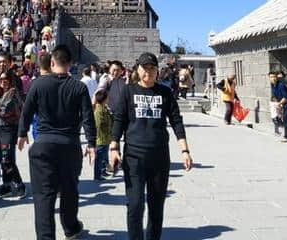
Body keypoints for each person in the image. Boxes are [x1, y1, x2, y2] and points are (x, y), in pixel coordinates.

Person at [109, 52, 193, 240]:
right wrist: (113, 148)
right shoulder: (128, 91)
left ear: (157, 71)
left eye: (152, 68)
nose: (148, 72)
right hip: (134, 157)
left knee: (156, 206)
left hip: (159, 157)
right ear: (137, 69)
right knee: (135, 205)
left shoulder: (165, 92)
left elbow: (176, 122)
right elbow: (119, 120)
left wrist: (185, 150)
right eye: (144, 68)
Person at [18, 45, 96, 240]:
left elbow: (26, 112)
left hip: (43, 144)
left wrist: (21, 133)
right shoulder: (79, 87)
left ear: (52, 62)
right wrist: (92, 143)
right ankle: (71, 228)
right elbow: (88, 117)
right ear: (70, 64)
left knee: (44, 196)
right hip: (70, 145)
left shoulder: (38, 84)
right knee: (70, 191)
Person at [0, 72, 26, 199]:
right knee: (6, 159)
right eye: (1, 79)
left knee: (6, 159)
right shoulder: (2, 93)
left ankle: (19, 184)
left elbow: (6, 110)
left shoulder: (13, 92)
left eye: (6, 78)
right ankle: (7, 185)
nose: (3, 81)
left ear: (11, 80)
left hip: (8, 129)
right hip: (0, 130)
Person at [269, 71, 287, 142]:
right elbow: (276, 96)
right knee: (283, 117)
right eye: (271, 77)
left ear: (277, 77)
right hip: (285, 104)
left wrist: (279, 104)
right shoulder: (273, 85)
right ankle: (286, 132)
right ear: (269, 78)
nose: (273, 78)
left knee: (285, 117)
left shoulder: (281, 85)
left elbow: (285, 97)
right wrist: (275, 103)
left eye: (274, 77)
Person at [93, 89, 112, 181]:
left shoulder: (104, 108)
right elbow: (98, 125)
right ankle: (97, 175)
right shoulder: (98, 110)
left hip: (106, 138)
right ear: (104, 99)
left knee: (104, 156)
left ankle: (103, 171)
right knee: (99, 158)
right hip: (100, 139)